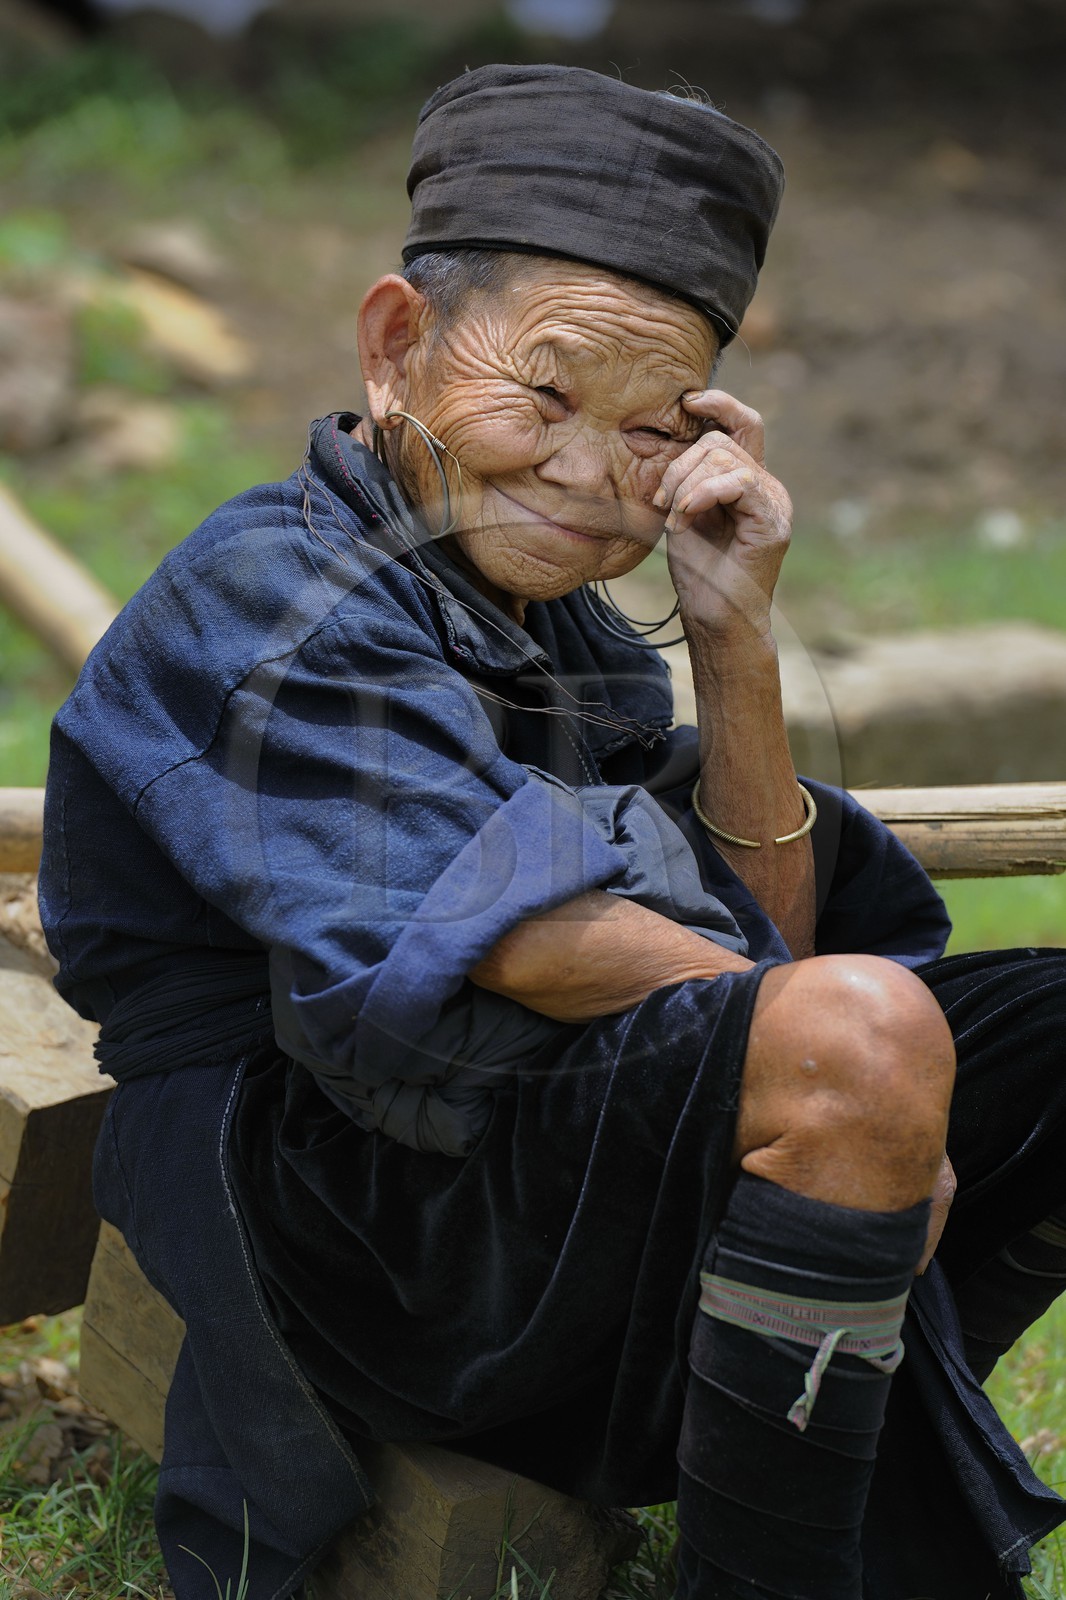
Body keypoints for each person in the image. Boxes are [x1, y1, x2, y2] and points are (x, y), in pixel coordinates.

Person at [38, 62, 1066, 1600]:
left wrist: (730, 633)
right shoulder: (269, 589)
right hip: (328, 1205)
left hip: (508, 1161)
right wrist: (844, 1065)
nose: (588, 476)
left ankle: (808, 1442)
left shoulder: (565, 629)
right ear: (396, 345)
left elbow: (763, 946)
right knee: (851, 1034)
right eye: (542, 396)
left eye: (648, 426)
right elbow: (524, 940)